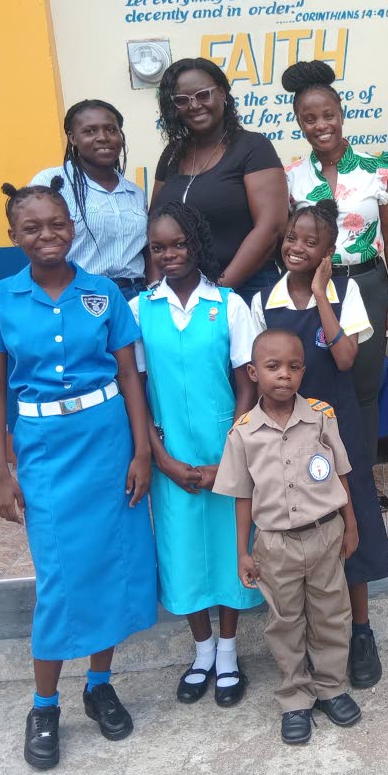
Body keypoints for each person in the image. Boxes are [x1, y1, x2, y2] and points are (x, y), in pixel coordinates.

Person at [0, 182, 158, 771]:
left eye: (57, 224)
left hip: (106, 443)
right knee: (58, 577)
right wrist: (1, 471)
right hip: (44, 450)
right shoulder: (0, 299)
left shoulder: (102, 292)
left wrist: (142, 451)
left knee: (107, 564)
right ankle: (44, 705)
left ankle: (99, 684)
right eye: (32, 228)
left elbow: (130, 376)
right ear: (13, 236)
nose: (47, 235)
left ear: (72, 227)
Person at [251, 200, 388, 689]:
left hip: (336, 428)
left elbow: (348, 357)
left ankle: (360, 632)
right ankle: (311, 642)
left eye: (312, 243)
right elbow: (254, 376)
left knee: (350, 527)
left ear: (328, 252)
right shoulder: (263, 302)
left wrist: (321, 294)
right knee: (301, 534)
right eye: (293, 237)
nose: (298, 247)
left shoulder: (345, 291)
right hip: (282, 437)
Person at [130, 202, 262, 707]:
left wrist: (232, 451)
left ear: (196, 244)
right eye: (158, 247)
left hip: (224, 448)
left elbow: (245, 382)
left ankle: (228, 652)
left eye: (179, 244)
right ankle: (201, 650)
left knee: (231, 544)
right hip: (173, 456)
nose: (169, 254)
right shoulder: (141, 310)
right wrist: (160, 457)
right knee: (181, 550)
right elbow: (136, 388)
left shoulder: (227, 305)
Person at [214, 329, 363, 746]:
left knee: (332, 613)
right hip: (275, 544)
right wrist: (243, 551)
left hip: (324, 534)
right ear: (253, 372)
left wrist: (350, 525)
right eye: (273, 367)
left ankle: (331, 686)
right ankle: (295, 698)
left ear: (304, 371)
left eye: (294, 367)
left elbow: (342, 473)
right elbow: (242, 496)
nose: (284, 376)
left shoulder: (320, 416)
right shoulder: (243, 433)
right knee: (284, 622)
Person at [282, 61, 388, 479]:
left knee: (365, 386)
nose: (321, 125)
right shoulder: (292, 178)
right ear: (299, 123)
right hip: (318, 289)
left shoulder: (377, 170)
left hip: (368, 284)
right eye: (309, 118)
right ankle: (323, 478)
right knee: (319, 385)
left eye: (328, 115)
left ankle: (363, 480)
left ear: (341, 114)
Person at [150, 57, 287, 304]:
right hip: (182, 293)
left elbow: (270, 229)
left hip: (247, 290)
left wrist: (217, 291)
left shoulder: (253, 147)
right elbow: (154, 226)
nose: (194, 105)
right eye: (182, 100)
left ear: (222, 93)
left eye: (203, 95)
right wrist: (156, 288)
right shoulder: (172, 154)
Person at [32, 100, 148, 299]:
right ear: (73, 137)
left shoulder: (135, 193)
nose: (103, 137)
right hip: (78, 293)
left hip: (134, 296)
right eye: (90, 131)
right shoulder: (51, 182)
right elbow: (36, 239)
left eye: (111, 129)